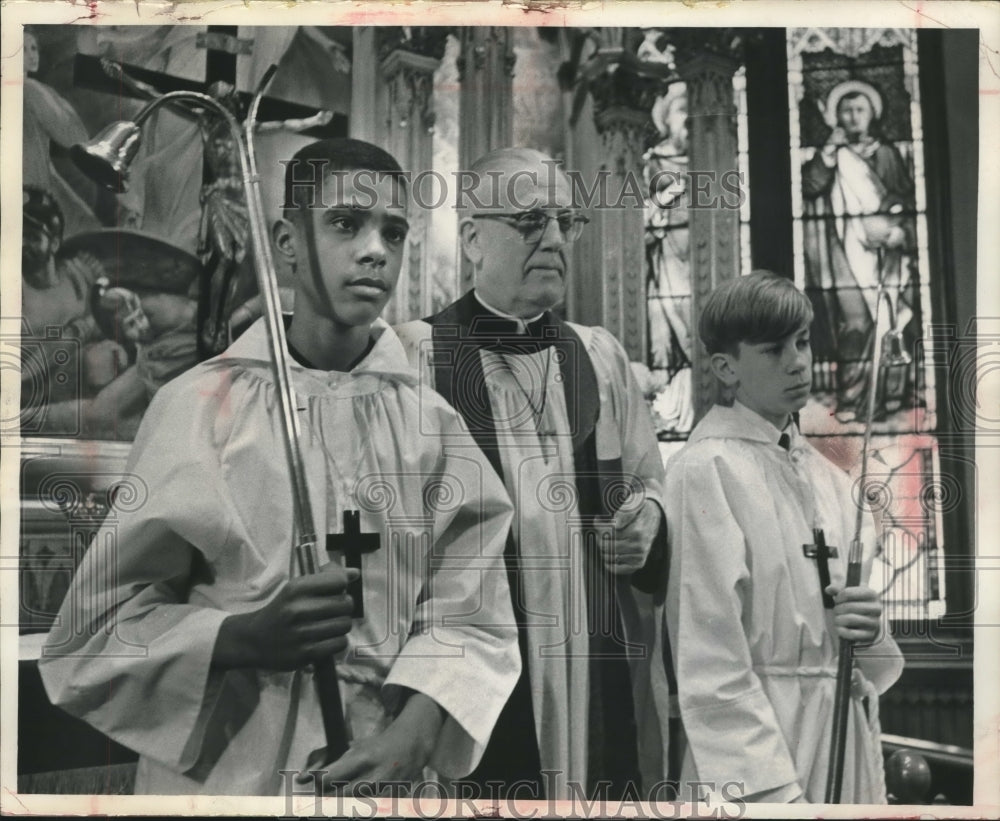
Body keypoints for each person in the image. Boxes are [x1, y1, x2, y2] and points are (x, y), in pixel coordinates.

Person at [39, 138, 520, 795]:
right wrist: (239, 635)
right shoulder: (201, 407)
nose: (375, 249)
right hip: (232, 770)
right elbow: (94, 635)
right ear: (287, 243)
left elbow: (470, 614)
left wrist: (417, 728)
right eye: (346, 223)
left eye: (394, 230)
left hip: (381, 766)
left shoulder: (431, 426)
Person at [395, 147, 669, 800]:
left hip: (588, 659)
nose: (552, 238)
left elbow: (648, 482)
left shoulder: (600, 358)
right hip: (469, 663)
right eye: (528, 220)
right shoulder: (414, 357)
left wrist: (649, 523)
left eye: (565, 221)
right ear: (471, 239)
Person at [663, 271, 903, 803]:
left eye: (801, 342)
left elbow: (858, 665)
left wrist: (868, 631)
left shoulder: (829, 479)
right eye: (773, 350)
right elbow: (710, 659)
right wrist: (774, 797)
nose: (797, 361)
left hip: (841, 740)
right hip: (756, 763)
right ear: (726, 368)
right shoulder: (706, 471)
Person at [801, 80, 916, 418]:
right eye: (846, 111)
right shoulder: (832, 154)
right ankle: (853, 398)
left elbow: (905, 197)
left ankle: (892, 394)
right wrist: (826, 153)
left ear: (872, 115)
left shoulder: (886, 153)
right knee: (854, 322)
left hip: (886, 252)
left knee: (892, 317)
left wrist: (895, 227)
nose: (852, 117)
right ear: (836, 117)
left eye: (859, 110)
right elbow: (810, 186)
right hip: (843, 248)